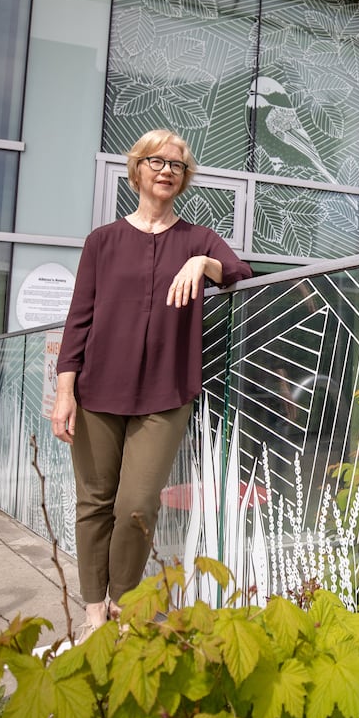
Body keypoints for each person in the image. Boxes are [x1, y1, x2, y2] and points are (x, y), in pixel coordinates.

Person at [50, 129, 253, 640]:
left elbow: (239, 271)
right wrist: (64, 391)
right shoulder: (102, 241)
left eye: (177, 166)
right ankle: (95, 610)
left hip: (165, 393)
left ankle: (123, 600)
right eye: (156, 161)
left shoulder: (197, 239)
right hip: (97, 391)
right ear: (137, 169)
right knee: (94, 503)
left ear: (184, 180)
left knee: (137, 504)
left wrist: (202, 263)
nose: (166, 170)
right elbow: (79, 320)